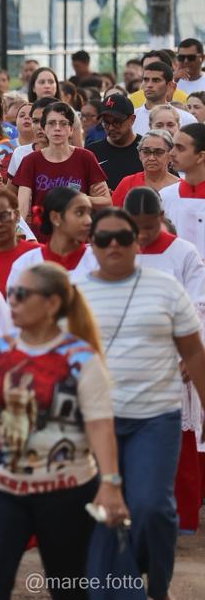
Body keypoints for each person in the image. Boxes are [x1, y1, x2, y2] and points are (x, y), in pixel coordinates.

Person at [0, 262, 126, 599]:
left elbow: (99, 424)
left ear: (51, 303)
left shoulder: (81, 358)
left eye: (22, 294)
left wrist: (110, 483)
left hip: (67, 494)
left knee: (69, 587)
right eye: (11, 294)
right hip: (0, 490)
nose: (12, 302)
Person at [77, 207, 205, 600]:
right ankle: (123, 589)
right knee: (105, 509)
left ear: (138, 242)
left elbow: (194, 352)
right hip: (97, 420)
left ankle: (158, 583)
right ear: (92, 245)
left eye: (123, 237)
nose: (113, 245)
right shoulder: (75, 295)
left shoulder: (166, 288)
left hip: (155, 417)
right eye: (104, 239)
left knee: (152, 507)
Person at [121, 187, 205, 534]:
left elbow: (198, 305)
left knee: (178, 441)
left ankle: (182, 517)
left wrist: (190, 353)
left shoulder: (183, 252)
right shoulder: (115, 250)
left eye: (149, 226)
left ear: (161, 217)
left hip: (174, 357)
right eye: (135, 227)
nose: (142, 234)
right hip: (129, 358)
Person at [13, 102, 110, 231]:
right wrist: (19, 233)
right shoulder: (30, 161)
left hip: (77, 233)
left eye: (63, 123)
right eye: (51, 123)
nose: (57, 128)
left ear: (71, 129)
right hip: (42, 235)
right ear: (44, 128)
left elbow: (107, 202)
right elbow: (22, 207)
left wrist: (81, 198)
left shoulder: (85, 157)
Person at [5, 187, 93, 291]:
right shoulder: (26, 264)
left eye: (89, 213)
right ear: (55, 217)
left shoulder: (99, 261)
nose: (88, 221)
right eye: (79, 213)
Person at [162, 123, 205, 259]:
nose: (171, 153)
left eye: (180, 148)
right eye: (173, 146)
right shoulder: (165, 196)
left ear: (200, 156)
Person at [87, 93, 143, 191]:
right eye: (106, 123)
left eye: (117, 122)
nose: (111, 128)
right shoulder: (91, 153)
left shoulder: (146, 149)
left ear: (132, 119)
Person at [111, 128, 177, 207]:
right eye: (146, 152)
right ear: (139, 154)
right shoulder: (127, 183)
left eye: (158, 152)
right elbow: (113, 213)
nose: (151, 158)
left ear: (170, 155)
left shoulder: (180, 186)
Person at [134, 61, 195, 135]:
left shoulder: (187, 119)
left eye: (156, 80)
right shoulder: (131, 118)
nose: (149, 85)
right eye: (146, 80)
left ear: (169, 85)